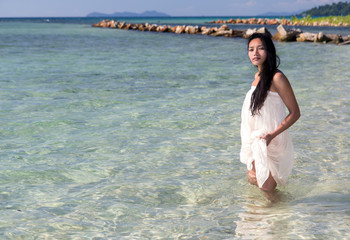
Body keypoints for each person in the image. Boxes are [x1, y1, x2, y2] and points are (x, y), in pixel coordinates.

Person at [240, 33, 300, 200]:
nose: (255, 53)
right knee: (257, 182)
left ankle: (281, 219)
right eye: (251, 49)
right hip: (256, 139)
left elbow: (295, 112)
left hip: (271, 139)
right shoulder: (257, 77)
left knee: (266, 187)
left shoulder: (277, 77)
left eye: (260, 48)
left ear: (269, 51)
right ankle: (271, 218)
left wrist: (271, 136)